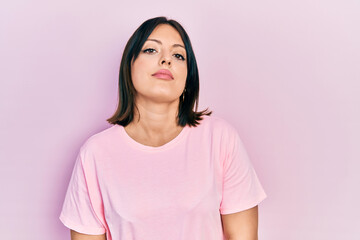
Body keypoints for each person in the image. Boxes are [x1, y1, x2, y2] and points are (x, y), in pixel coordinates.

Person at [59, 16, 267, 240]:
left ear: (188, 77)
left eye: (178, 55)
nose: (166, 60)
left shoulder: (220, 139)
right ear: (129, 65)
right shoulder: (95, 154)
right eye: (151, 50)